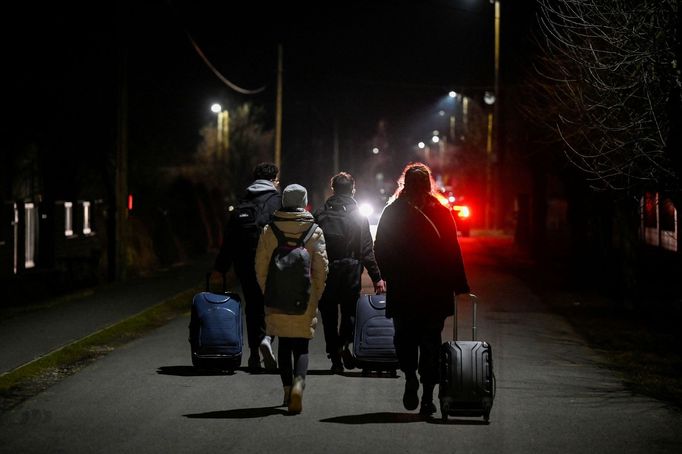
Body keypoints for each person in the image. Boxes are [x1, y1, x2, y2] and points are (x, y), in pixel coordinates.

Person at [374, 162, 470, 417]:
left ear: (404, 184)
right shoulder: (441, 211)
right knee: (431, 342)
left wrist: (389, 275)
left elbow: (380, 247)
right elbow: (452, 250)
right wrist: (459, 285)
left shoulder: (393, 211)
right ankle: (428, 396)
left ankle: (410, 378)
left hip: (405, 288)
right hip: (434, 289)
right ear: (429, 185)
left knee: (404, 338)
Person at [255, 184, 328, 414]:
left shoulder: (269, 229)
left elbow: (260, 265)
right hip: (304, 297)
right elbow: (321, 268)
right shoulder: (314, 230)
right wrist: (315, 293)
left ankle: (287, 389)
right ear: (304, 202)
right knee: (302, 347)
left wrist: (268, 289)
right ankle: (299, 383)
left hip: (277, 296)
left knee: (284, 346)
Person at [212, 162, 282, 373]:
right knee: (274, 306)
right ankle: (268, 340)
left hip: (247, 264)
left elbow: (230, 239)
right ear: (274, 180)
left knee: (253, 307)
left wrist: (220, 267)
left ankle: (253, 354)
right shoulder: (279, 202)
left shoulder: (243, 202)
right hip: (274, 264)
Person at [314, 172, 385, 373]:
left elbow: (312, 244)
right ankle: (345, 342)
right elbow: (366, 250)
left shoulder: (320, 213)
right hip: (351, 270)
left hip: (326, 269)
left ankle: (334, 356)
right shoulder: (359, 216)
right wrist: (376, 277)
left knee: (328, 314)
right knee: (349, 312)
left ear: (333, 188)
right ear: (352, 189)